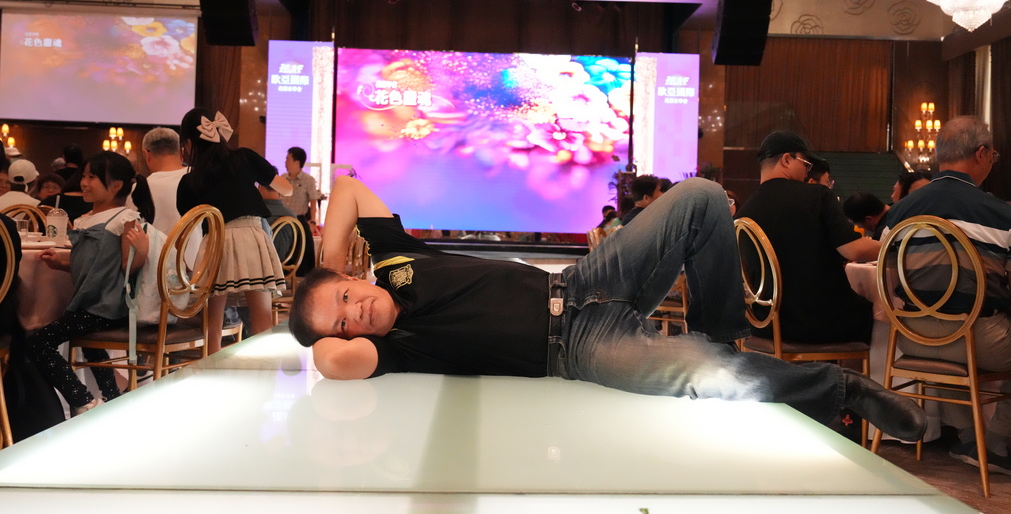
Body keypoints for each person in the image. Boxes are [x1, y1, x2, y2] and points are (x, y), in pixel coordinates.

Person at [290, 175, 927, 442]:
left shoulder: (395, 257)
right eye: (342, 323)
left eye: (346, 298)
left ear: (350, 277)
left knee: (703, 196)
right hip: (577, 350)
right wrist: (322, 314)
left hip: (582, 282)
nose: (355, 313)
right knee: (706, 376)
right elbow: (329, 359)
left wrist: (330, 261)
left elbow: (345, 186)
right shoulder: (393, 349)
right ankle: (843, 389)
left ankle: (719, 335)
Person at [882, 115, 1011, 474]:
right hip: (981, 338)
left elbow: (889, 282)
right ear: (981, 153)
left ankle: (966, 437)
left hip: (914, 337)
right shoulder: (1004, 217)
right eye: (993, 155)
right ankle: (995, 444)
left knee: (951, 336)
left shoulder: (898, 212)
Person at [25, 152, 154, 416]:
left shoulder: (125, 218)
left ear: (116, 185)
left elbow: (129, 268)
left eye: (92, 177)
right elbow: (93, 265)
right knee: (85, 342)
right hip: (91, 302)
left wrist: (141, 252)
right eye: (83, 176)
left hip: (109, 305)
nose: (83, 182)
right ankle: (111, 398)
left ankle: (83, 401)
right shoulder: (86, 218)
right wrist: (61, 262)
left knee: (38, 343)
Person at [736, 131, 878, 345]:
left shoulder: (744, 213)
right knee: (873, 311)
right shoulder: (817, 195)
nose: (806, 172)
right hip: (819, 324)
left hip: (763, 324)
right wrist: (892, 245)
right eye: (805, 164)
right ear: (787, 159)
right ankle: (843, 369)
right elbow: (853, 250)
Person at [176, 107, 293, 354]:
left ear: (188, 144)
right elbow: (286, 189)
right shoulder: (243, 157)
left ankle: (213, 365)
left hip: (215, 244)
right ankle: (266, 369)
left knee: (213, 327)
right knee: (262, 321)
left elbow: (187, 220)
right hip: (251, 237)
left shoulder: (189, 180)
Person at [128, 126, 200, 266]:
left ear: (146, 154)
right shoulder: (199, 179)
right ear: (182, 152)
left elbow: (132, 234)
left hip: (155, 269)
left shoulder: (139, 189)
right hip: (198, 266)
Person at [281, 146, 323, 235]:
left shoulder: (308, 180)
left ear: (297, 163)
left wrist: (313, 221)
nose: (285, 162)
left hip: (299, 219)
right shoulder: (282, 178)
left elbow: (313, 201)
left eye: (288, 159)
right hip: (282, 219)